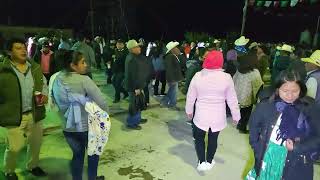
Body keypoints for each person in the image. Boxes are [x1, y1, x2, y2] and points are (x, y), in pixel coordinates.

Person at [247, 70, 320, 180]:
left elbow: (317, 137)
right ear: (277, 89)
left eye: (295, 91)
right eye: (285, 90)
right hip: (267, 157)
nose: (289, 95)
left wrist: (297, 147)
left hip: (296, 162)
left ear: (301, 89)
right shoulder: (266, 105)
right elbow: (254, 127)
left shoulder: (309, 108)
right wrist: (258, 148)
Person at [52, 50, 107, 180]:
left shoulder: (56, 79)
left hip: (68, 128)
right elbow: (102, 102)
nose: (86, 65)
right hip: (87, 127)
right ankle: (92, 178)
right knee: (93, 154)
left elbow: (55, 101)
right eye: (82, 62)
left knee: (77, 155)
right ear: (73, 65)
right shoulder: (84, 80)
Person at [0, 38, 48, 180]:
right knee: (14, 147)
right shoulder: (3, 71)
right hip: (14, 116)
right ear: (9, 52)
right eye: (18, 48)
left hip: (35, 113)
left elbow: (43, 83)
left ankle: (32, 166)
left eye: (23, 47)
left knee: (35, 143)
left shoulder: (35, 68)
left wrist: (44, 95)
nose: (23, 50)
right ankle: (9, 170)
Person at [185, 50, 241, 171]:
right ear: (221, 62)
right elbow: (232, 99)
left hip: (201, 115)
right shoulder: (226, 78)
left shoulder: (198, 76)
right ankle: (209, 161)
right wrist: (236, 116)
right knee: (213, 139)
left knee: (199, 138)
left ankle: (201, 162)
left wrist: (189, 111)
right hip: (217, 116)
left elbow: (190, 96)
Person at [233, 52, 264, 134]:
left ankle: (239, 124)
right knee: (246, 113)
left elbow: (234, 80)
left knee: (241, 110)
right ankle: (242, 128)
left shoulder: (240, 69)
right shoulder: (254, 72)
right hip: (247, 97)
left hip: (238, 95)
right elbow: (258, 85)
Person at [124, 39, 149, 130]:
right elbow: (133, 76)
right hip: (134, 87)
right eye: (137, 47)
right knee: (134, 105)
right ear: (132, 49)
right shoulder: (132, 59)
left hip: (138, 86)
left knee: (138, 103)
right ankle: (131, 123)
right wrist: (137, 88)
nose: (139, 48)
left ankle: (137, 119)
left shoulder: (134, 57)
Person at [161, 41, 184, 111]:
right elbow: (169, 69)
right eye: (175, 47)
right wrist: (173, 80)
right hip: (172, 79)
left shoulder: (173, 56)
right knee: (174, 93)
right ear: (172, 49)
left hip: (174, 78)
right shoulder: (170, 57)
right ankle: (172, 105)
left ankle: (164, 102)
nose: (177, 48)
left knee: (171, 91)